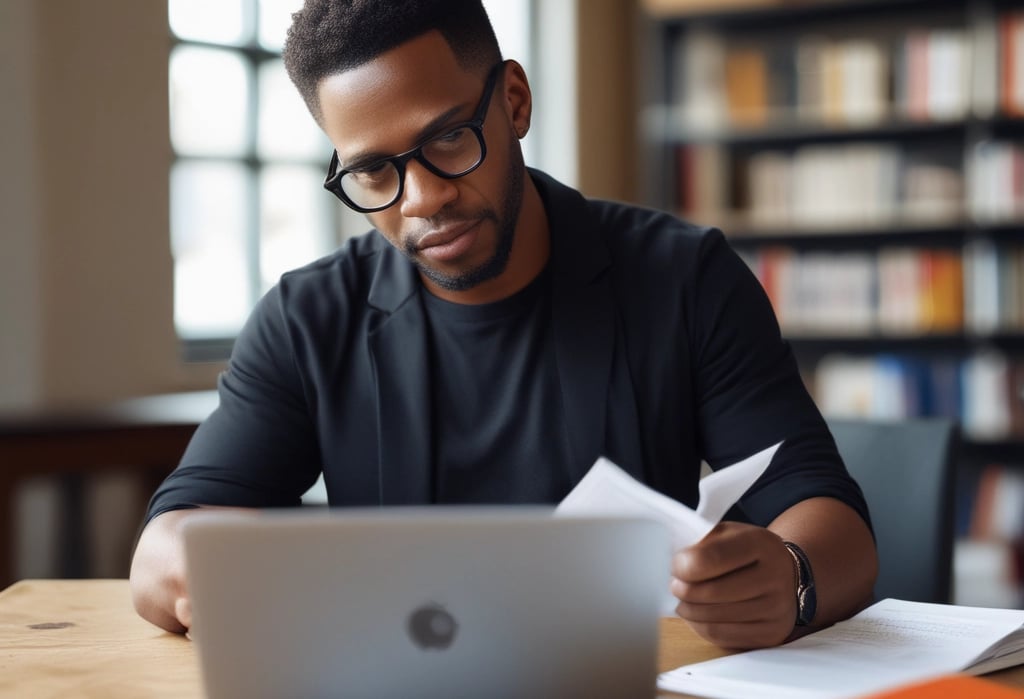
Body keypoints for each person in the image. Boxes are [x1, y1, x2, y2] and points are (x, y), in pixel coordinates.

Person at [130, 0, 878, 649]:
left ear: (514, 99)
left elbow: (832, 520)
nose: (421, 199)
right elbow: (163, 546)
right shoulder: (305, 319)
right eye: (373, 172)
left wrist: (791, 575)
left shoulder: (686, 279)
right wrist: (203, 575)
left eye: (450, 138)